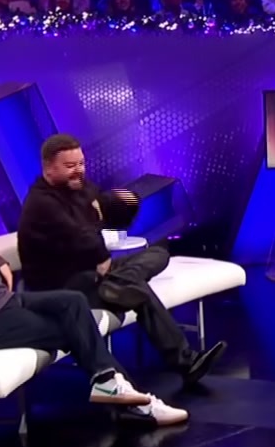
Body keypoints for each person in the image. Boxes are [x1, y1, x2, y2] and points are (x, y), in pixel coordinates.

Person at [0, 157, 186, 425]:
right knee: (77, 329)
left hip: (7, 301)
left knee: (73, 302)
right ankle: (136, 403)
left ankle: (113, 387)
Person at [17, 135, 228, 387]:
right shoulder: (41, 202)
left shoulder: (80, 189)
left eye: (81, 163)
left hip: (94, 274)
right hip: (61, 285)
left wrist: (128, 199)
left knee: (159, 252)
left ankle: (117, 282)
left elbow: (111, 205)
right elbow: (80, 235)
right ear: (48, 168)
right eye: (70, 166)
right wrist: (101, 253)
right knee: (137, 289)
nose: (79, 170)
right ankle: (186, 362)